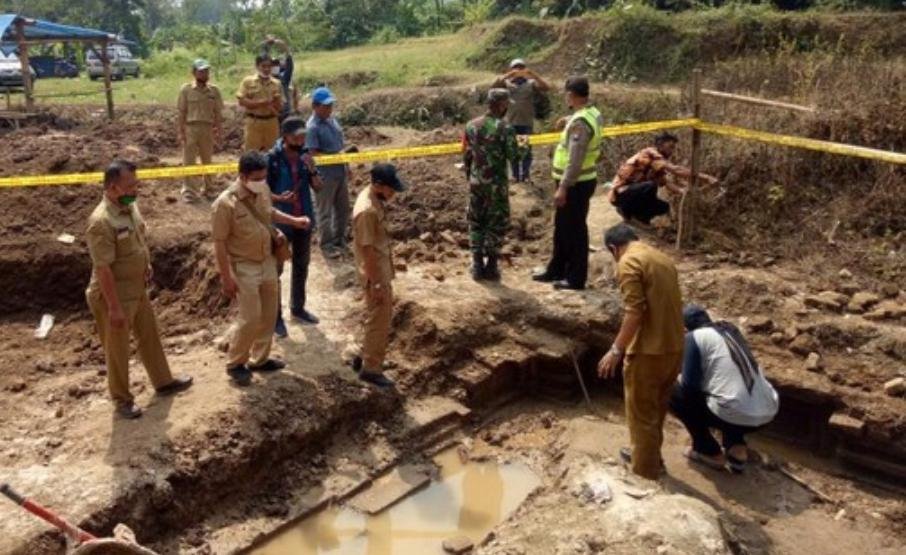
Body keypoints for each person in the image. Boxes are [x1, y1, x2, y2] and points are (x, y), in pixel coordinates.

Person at [86, 160, 193, 419]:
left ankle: (163, 381)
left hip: (137, 287)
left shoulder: (129, 206)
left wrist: (145, 265)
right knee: (117, 349)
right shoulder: (101, 222)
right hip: (113, 293)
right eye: (131, 185)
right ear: (113, 187)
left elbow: (138, 239)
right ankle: (122, 399)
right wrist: (113, 307)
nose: (137, 189)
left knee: (150, 335)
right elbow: (103, 270)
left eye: (137, 183)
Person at [212, 151, 312, 386]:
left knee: (268, 313)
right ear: (243, 176)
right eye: (257, 178)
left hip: (266, 260)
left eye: (263, 177)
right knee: (250, 317)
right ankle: (236, 362)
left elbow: (269, 213)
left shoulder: (263, 190)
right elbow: (219, 244)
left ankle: (260, 358)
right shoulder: (224, 204)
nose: (261, 181)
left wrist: (294, 221)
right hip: (243, 265)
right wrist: (226, 278)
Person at [597, 224, 684, 480]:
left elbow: (635, 311)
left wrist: (615, 350)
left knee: (641, 414)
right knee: (656, 408)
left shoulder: (628, 262)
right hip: (674, 347)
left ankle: (645, 473)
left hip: (648, 351)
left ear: (614, 249)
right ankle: (649, 455)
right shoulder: (662, 258)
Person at [670, 305, 779, 473]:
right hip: (768, 410)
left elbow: (689, 386)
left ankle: (708, 451)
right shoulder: (730, 330)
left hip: (735, 412)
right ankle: (737, 449)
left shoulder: (694, 337)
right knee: (726, 393)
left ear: (684, 328)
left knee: (671, 391)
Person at [533, 76, 604, 291]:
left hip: (575, 184)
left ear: (571, 95)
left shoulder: (581, 124)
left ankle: (575, 279)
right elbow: (583, 122)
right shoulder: (590, 114)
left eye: (567, 94)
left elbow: (575, 158)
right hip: (579, 181)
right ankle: (556, 269)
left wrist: (563, 187)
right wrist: (568, 119)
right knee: (562, 227)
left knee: (574, 231)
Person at [352, 164, 408, 389]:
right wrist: (376, 283)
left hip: (377, 270)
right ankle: (372, 369)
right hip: (375, 274)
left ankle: (363, 355)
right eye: (390, 189)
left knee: (373, 316)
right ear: (378, 185)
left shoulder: (373, 200)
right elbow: (367, 249)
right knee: (380, 320)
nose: (393, 194)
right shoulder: (367, 211)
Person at [267, 116, 322, 338]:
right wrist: (278, 197)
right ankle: (275, 318)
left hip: (303, 219)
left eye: (303, 136)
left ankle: (297, 308)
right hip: (281, 222)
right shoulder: (271, 160)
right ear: (285, 137)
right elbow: (260, 193)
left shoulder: (305, 158)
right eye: (297, 136)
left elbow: (318, 188)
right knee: (276, 271)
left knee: (302, 265)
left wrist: (313, 171)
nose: (301, 140)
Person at [462, 88, 523, 281]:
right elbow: (514, 157)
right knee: (496, 223)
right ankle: (492, 266)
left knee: (476, 221)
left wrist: (470, 176)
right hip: (496, 185)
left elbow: (466, 154)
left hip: (476, 182)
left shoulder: (471, 126)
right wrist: (524, 145)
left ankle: (477, 264)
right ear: (502, 104)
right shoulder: (505, 128)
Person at [610, 132, 718, 225]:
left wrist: (683, 192)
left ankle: (641, 220)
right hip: (620, 194)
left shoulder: (657, 164)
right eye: (670, 147)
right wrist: (705, 177)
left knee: (663, 207)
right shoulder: (650, 153)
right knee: (650, 186)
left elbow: (665, 183)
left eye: (673, 148)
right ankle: (627, 211)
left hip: (633, 192)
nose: (672, 150)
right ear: (660, 145)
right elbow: (676, 170)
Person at [306, 86, 351, 258]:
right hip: (325, 175)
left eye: (330, 105)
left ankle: (340, 240)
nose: (329, 109)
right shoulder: (312, 128)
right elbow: (312, 153)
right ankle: (327, 245)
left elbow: (340, 147)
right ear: (315, 106)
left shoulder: (332, 120)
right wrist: (335, 157)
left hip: (339, 172)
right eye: (326, 106)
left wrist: (345, 164)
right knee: (324, 212)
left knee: (343, 209)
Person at [492, 58, 549, 183]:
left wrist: (532, 74)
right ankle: (515, 175)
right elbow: (493, 87)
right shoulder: (506, 83)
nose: (518, 70)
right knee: (513, 151)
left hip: (525, 123)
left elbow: (546, 87)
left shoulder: (530, 83)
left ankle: (526, 175)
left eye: (521, 68)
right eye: (515, 68)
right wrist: (509, 75)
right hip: (511, 123)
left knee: (525, 150)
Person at [177, 58, 223, 203]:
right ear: (194, 72)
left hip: (207, 128)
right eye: (201, 71)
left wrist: (219, 130)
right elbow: (181, 112)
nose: (204, 74)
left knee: (207, 160)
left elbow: (218, 113)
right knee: (189, 161)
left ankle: (209, 189)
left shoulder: (214, 91)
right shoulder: (186, 90)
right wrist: (181, 132)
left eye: (206, 71)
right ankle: (189, 191)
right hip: (191, 127)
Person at [236, 55, 283, 152]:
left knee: (273, 153)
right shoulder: (248, 81)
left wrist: (276, 101)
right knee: (251, 153)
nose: (266, 69)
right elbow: (241, 101)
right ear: (257, 66)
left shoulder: (277, 83)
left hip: (271, 122)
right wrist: (260, 103)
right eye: (263, 66)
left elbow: (279, 107)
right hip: (254, 122)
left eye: (269, 66)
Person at [261, 36, 297, 122]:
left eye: (277, 64)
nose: (275, 66)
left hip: (284, 113)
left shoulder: (284, 79)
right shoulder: (265, 79)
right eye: (273, 64)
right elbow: (263, 59)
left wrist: (279, 43)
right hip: (271, 114)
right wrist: (270, 44)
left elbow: (289, 60)